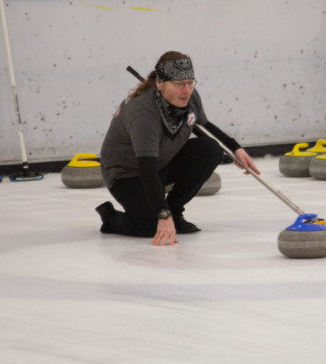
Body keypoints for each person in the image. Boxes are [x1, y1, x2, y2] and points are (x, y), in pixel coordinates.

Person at [96, 51, 260, 246]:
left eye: (190, 82)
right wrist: (162, 214)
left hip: (162, 162)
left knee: (211, 149)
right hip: (128, 174)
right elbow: (147, 169)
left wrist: (235, 149)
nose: (186, 90)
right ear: (159, 83)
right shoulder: (143, 114)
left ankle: (175, 210)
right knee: (149, 226)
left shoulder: (189, 97)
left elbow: (203, 127)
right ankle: (110, 218)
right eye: (179, 84)